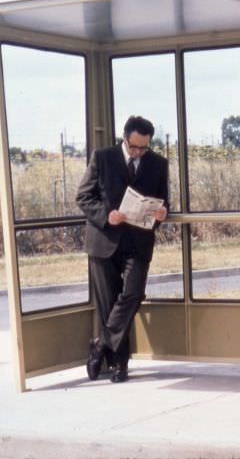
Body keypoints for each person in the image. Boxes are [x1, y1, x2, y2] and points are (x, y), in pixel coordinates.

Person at [76, 115, 169, 383]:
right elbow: (83, 196)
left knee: (133, 294)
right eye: (134, 147)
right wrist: (107, 215)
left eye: (144, 148)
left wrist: (163, 212)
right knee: (109, 305)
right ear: (125, 138)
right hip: (103, 240)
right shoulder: (102, 158)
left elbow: (164, 200)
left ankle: (99, 345)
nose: (138, 152)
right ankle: (120, 365)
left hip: (138, 243)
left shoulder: (158, 163)